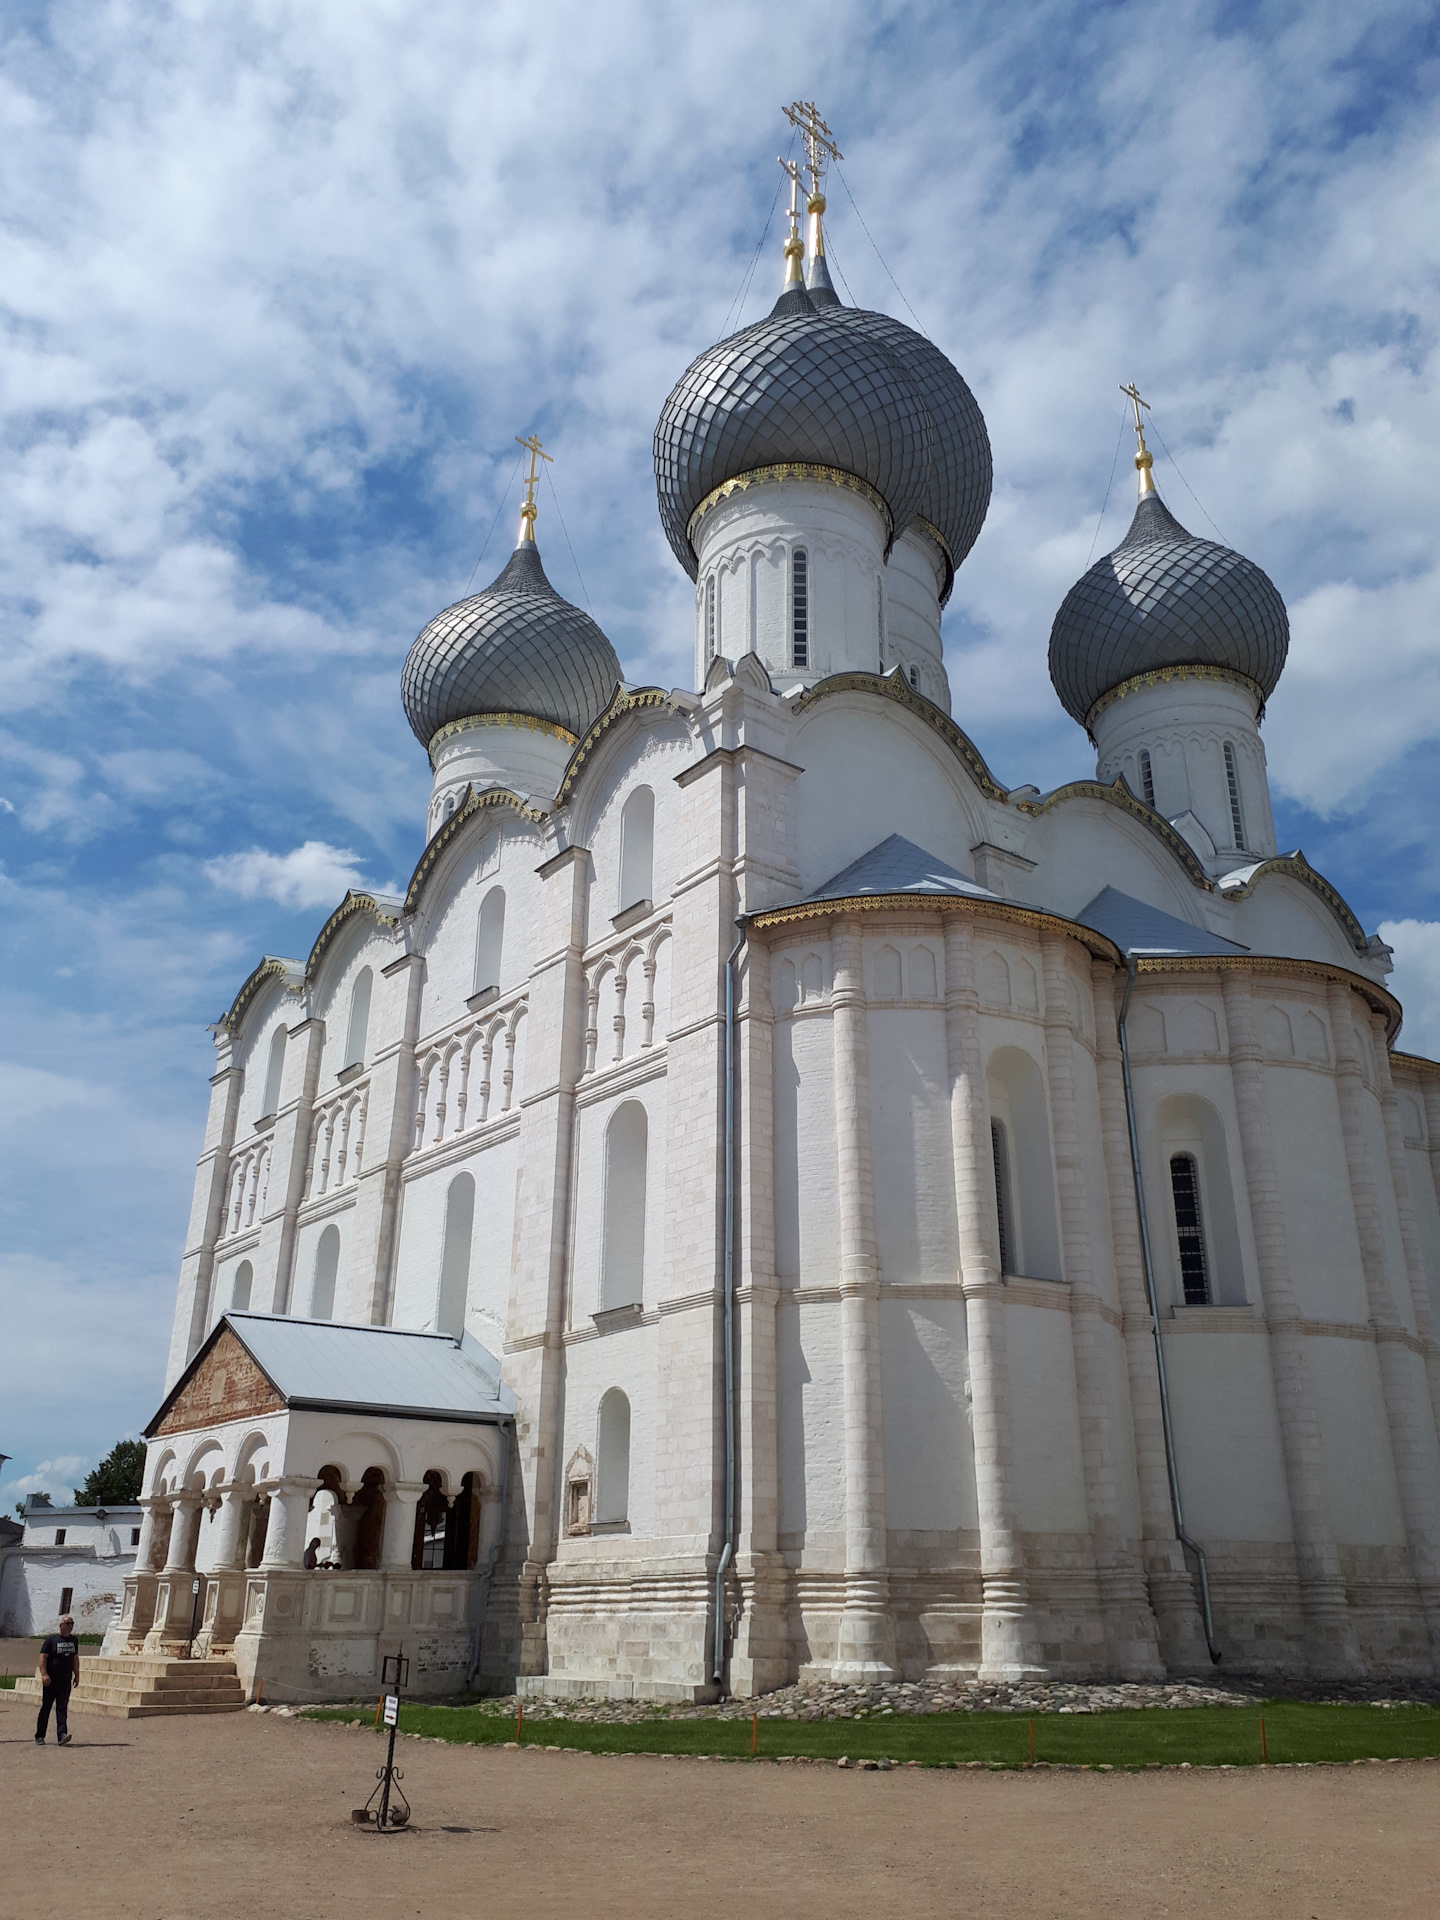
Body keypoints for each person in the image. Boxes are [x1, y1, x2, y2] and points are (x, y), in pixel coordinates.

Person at [35, 1614, 80, 1747]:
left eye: (72, 1623)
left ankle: (62, 1734)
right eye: (67, 1624)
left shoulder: (74, 1640)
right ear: (61, 1626)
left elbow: (75, 1658)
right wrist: (44, 1674)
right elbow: (42, 1657)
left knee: (62, 1708)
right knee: (46, 1708)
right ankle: (40, 1735)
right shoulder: (51, 1640)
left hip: (65, 1680)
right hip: (51, 1680)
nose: (70, 1626)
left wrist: (77, 1675)